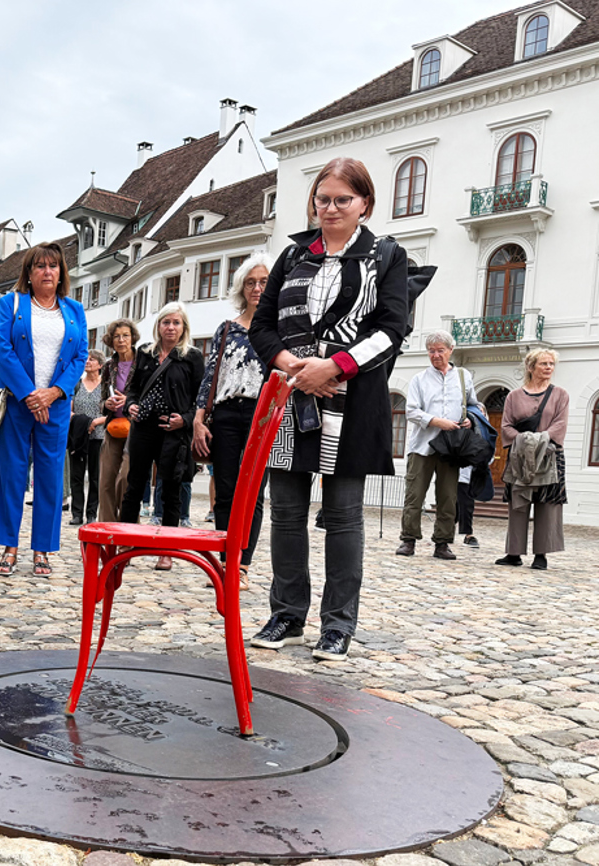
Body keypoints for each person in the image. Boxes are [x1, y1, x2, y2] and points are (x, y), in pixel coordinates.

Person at [248, 157, 410, 662]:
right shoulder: (294, 254)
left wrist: (334, 366)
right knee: (288, 513)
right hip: (290, 397)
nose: (332, 207)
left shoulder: (386, 256)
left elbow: (391, 329)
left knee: (342, 516)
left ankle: (338, 625)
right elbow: (262, 324)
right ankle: (287, 614)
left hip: (353, 399)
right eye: (324, 199)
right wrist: (295, 366)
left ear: (365, 204)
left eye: (343, 199)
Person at [0, 242, 88, 576]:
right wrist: (31, 395)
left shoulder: (74, 310)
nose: (47, 272)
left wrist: (54, 392)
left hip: (56, 407)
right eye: (40, 266)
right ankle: (9, 546)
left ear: (62, 273)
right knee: (11, 473)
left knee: (49, 479)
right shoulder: (11, 303)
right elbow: (3, 350)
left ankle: (42, 549)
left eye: (53, 266)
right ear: (29, 274)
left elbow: (79, 356)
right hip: (19, 404)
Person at [192, 254, 274, 589]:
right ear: (242, 287)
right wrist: (198, 419)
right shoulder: (227, 329)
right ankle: (226, 559)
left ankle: (242, 563)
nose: (257, 288)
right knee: (225, 491)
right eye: (251, 282)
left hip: (263, 415)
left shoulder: (279, 330)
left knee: (253, 492)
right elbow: (211, 375)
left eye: (264, 282)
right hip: (225, 413)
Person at [119, 303, 204, 571]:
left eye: (176, 323)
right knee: (134, 486)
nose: (170, 327)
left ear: (183, 327)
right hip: (144, 427)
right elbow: (133, 389)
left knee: (170, 489)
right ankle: (127, 543)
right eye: (166, 322)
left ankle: (166, 549)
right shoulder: (145, 353)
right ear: (158, 326)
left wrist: (186, 420)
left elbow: (200, 399)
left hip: (172, 430)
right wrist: (129, 404)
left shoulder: (192, 357)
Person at [396, 330, 479, 561]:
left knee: (448, 496)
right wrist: (436, 421)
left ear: (450, 350)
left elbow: (474, 405)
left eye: (440, 350)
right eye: (431, 351)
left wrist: (470, 418)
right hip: (422, 445)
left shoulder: (463, 377)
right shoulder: (419, 380)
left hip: (452, 448)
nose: (435, 355)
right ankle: (408, 539)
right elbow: (411, 411)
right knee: (414, 494)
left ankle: (442, 543)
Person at [497, 348, 567, 570]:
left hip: (550, 455)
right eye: (543, 364)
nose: (549, 368)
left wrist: (539, 440)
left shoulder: (560, 395)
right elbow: (506, 425)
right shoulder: (513, 396)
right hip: (519, 456)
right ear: (531, 367)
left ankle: (541, 555)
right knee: (518, 503)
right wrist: (524, 441)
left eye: (551, 364)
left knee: (547, 505)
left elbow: (560, 424)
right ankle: (514, 553)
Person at [97, 319, 139, 523]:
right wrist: (108, 404)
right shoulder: (108, 366)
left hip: (136, 429)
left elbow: (148, 396)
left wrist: (129, 400)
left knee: (125, 479)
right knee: (105, 482)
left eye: (125, 335)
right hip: (113, 428)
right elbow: (101, 400)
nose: (121, 340)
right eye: (116, 336)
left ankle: (128, 527)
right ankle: (106, 528)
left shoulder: (143, 363)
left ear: (133, 338)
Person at [69, 350, 106, 526]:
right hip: (78, 436)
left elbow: (112, 413)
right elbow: (68, 410)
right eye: (86, 359)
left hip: (99, 437)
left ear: (100, 364)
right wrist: (83, 422)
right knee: (76, 475)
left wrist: (96, 422)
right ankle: (76, 513)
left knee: (95, 476)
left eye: (92, 360)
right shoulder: (77, 385)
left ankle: (92, 513)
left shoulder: (105, 386)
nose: (88, 362)